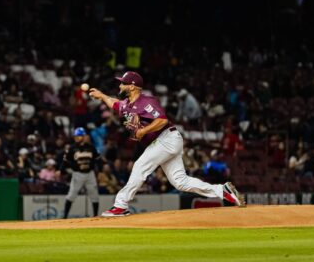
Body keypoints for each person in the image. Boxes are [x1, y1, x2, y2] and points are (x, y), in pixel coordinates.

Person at [89, 71, 246, 217]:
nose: (120, 85)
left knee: (140, 166)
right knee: (180, 182)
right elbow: (114, 103)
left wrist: (144, 131)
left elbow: (162, 120)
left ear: (132, 86)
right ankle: (222, 191)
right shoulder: (127, 104)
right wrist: (102, 96)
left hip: (166, 138)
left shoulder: (146, 102)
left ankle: (121, 205)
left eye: (123, 83)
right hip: (164, 142)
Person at [63, 127, 100, 218]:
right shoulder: (72, 148)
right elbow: (66, 160)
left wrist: (96, 168)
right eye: (76, 136)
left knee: (94, 195)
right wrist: (64, 169)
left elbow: (97, 158)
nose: (77, 138)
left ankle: (95, 215)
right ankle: (65, 217)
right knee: (71, 195)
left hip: (89, 174)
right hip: (78, 174)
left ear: (84, 136)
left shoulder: (91, 147)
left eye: (79, 136)